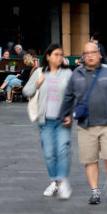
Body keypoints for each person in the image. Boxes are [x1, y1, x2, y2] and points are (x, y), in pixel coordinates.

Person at [60, 41, 107, 206]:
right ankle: (95, 191)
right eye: (86, 53)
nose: (90, 56)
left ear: (99, 54)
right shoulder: (76, 74)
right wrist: (65, 115)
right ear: (83, 56)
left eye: (93, 52)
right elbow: (68, 96)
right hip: (86, 125)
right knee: (90, 159)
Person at [23, 44, 74, 199]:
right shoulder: (39, 72)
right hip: (45, 121)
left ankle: (63, 182)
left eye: (61, 55)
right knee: (49, 153)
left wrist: (70, 114)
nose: (60, 57)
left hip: (62, 120)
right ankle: (54, 182)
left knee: (62, 151)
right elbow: (26, 91)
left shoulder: (67, 73)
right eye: (56, 54)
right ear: (48, 56)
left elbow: (74, 95)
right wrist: (36, 85)